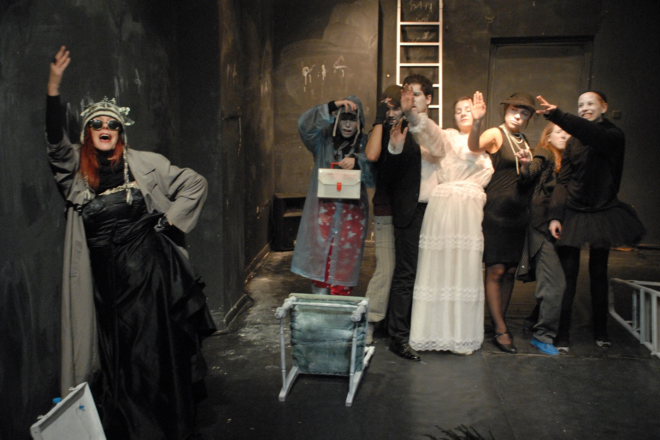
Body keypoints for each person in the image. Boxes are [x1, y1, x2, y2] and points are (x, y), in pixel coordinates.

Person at [46, 46, 216, 440]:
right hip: (106, 283)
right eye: (97, 124)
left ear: (121, 133)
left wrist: (167, 224)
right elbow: (54, 142)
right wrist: (53, 86)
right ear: (88, 133)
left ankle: (162, 425)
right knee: (118, 355)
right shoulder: (75, 169)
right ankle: (131, 424)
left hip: (149, 278)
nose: (105, 127)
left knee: (150, 353)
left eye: (113, 124)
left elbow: (194, 183)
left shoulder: (144, 163)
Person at [537, 91, 645, 352]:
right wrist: (556, 215)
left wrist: (558, 115)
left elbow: (593, 135)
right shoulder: (574, 141)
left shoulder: (612, 135)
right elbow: (564, 181)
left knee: (598, 273)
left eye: (590, 104)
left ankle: (601, 331)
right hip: (574, 211)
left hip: (602, 211)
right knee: (568, 275)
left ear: (604, 107)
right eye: (580, 105)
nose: (584, 108)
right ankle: (562, 333)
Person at [407, 94, 494, 355]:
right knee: (440, 268)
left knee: (465, 270)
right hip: (445, 206)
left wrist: (477, 122)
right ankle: (432, 332)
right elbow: (428, 133)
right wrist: (413, 114)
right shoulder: (448, 136)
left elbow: (475, 146)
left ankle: (460, 335)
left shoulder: (485, 140)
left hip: (470, 211)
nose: (463, 112)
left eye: (467, 108)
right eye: (458, 110)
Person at [468, 91, 536, 354]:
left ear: (529, 117)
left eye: (524, 112)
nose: (518, 115)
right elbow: (474, 146)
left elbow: (525, 177)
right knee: (496, 270)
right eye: (514, 110)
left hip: (518, 217)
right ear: (505, 111)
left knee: (509, 272)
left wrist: (528, 168)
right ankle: (500, 329)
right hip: (497, 214)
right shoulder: (496, 134)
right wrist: (477, 121)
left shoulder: (523, 140)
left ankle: (500, 321)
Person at [291, 96, 374, 296]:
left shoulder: (365, 144)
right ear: (336, 119)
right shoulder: (323, 141)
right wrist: (332, 105)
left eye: (353, 120)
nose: (348, 124)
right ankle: (320, 306)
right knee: (321, 261)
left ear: (360, 122)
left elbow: (375, 173)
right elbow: (304, 125)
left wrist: (358, 161)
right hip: (323, 213)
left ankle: (339, 305)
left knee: (345, 262)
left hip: (352, 216)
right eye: (343, 118)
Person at [382, 74, 440, 361]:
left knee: (431, 274)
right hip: (410, 210)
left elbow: (438, 150)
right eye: (408, 93)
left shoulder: (432, 128)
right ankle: (398, 337)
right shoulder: (399, 126)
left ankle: (427, 330)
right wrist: (394, 148)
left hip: (438, 210)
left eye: (417, 94)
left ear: (428, 99)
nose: (411, 99)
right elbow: (386, 176)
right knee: (406, 274)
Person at [517, 123, 571, 355]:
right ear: (547, 137)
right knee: (554, 285)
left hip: (553, 229)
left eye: (567, 133)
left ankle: (534, 323)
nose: (564, 136)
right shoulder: (545, 152)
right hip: (540, 227)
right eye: (558, 132)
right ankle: (543, 336)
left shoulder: (565, 161)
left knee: (553, 281)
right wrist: (526, 166)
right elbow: (531, 171)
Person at [364, 85, 403, 343]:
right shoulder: (379, 131)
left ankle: (395, 321)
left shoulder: (412, 129)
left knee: (406, 270)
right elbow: (372, 154)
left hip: (411, 209)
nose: (390, 113)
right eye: (385, 108)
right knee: (386, 267)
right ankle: (370, 319)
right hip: (386, 207)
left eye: (395, 107)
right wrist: (379, 119)